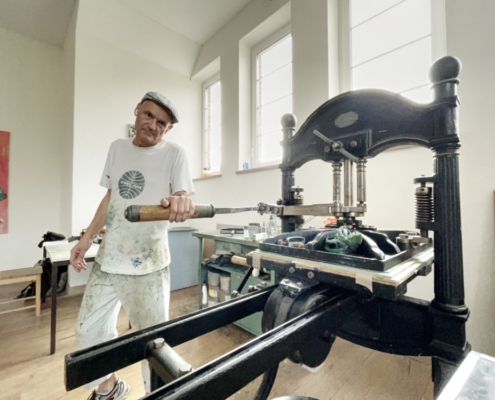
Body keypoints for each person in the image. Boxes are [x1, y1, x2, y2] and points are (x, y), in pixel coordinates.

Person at [70, 91, 195, 400]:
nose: (153, 125)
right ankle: (110, 386)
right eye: (149, 115)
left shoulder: (174, 154)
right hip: (109, 259)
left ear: (168, 129)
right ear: (137, 110)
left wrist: (180, 200)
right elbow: (110, 198)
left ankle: (156, 395)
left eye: (162, 123)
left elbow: (183, 194)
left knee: (153, 344)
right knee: (89, 331)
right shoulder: (117, 148)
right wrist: (86, 238)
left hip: (149, 264)